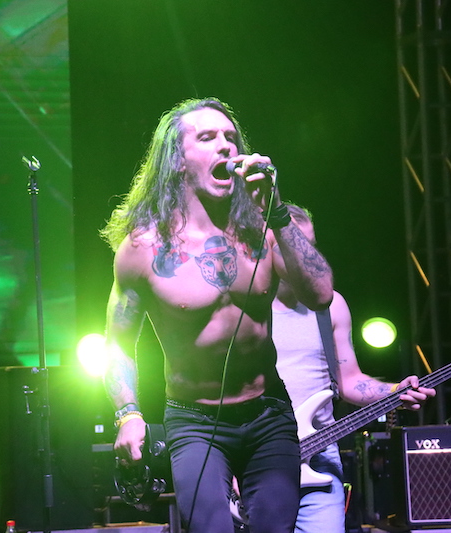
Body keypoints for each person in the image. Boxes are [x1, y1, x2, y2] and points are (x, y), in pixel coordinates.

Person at [100, 97, 334, 533]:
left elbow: (321, 295)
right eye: (207, 137)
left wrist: (277, 212)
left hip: (267, 412)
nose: (225, 146)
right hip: (195, 420)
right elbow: (117, 344)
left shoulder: (262, 230)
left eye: (230, 137)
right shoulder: (143, 249)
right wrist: (128, 413)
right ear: (177, 161)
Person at [274, 205, 434, 533]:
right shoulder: (241, 306)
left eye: (310, 245)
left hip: (318, 454)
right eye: (293, 243)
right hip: (257, 457)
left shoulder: (332, 305)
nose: (304, 254)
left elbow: (349, 381)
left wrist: (395, 392)